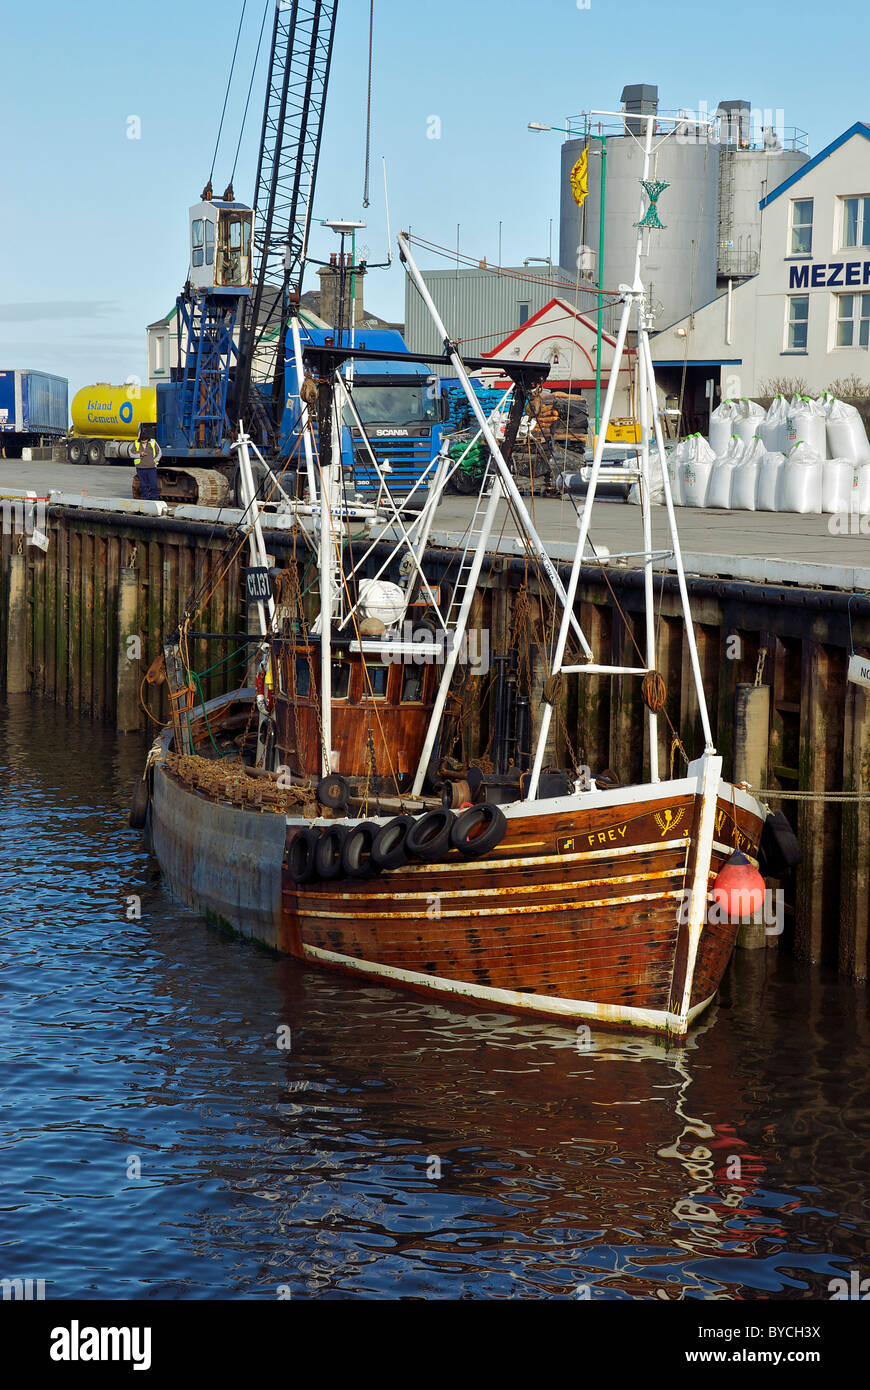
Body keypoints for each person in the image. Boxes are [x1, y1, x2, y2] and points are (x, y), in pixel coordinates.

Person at [131, 426, 162, 501]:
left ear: (148, 439)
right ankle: (145, 499)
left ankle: (154, 499)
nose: (143, 441)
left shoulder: (153, 443)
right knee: (143, 486)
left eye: (145, 440)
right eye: (142, 440)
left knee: (153, 485)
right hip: (140, 468)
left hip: (151, 468)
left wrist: (154, 461)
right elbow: (131, 453)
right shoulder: (136, 443)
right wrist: (139, 454)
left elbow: (159, 453)